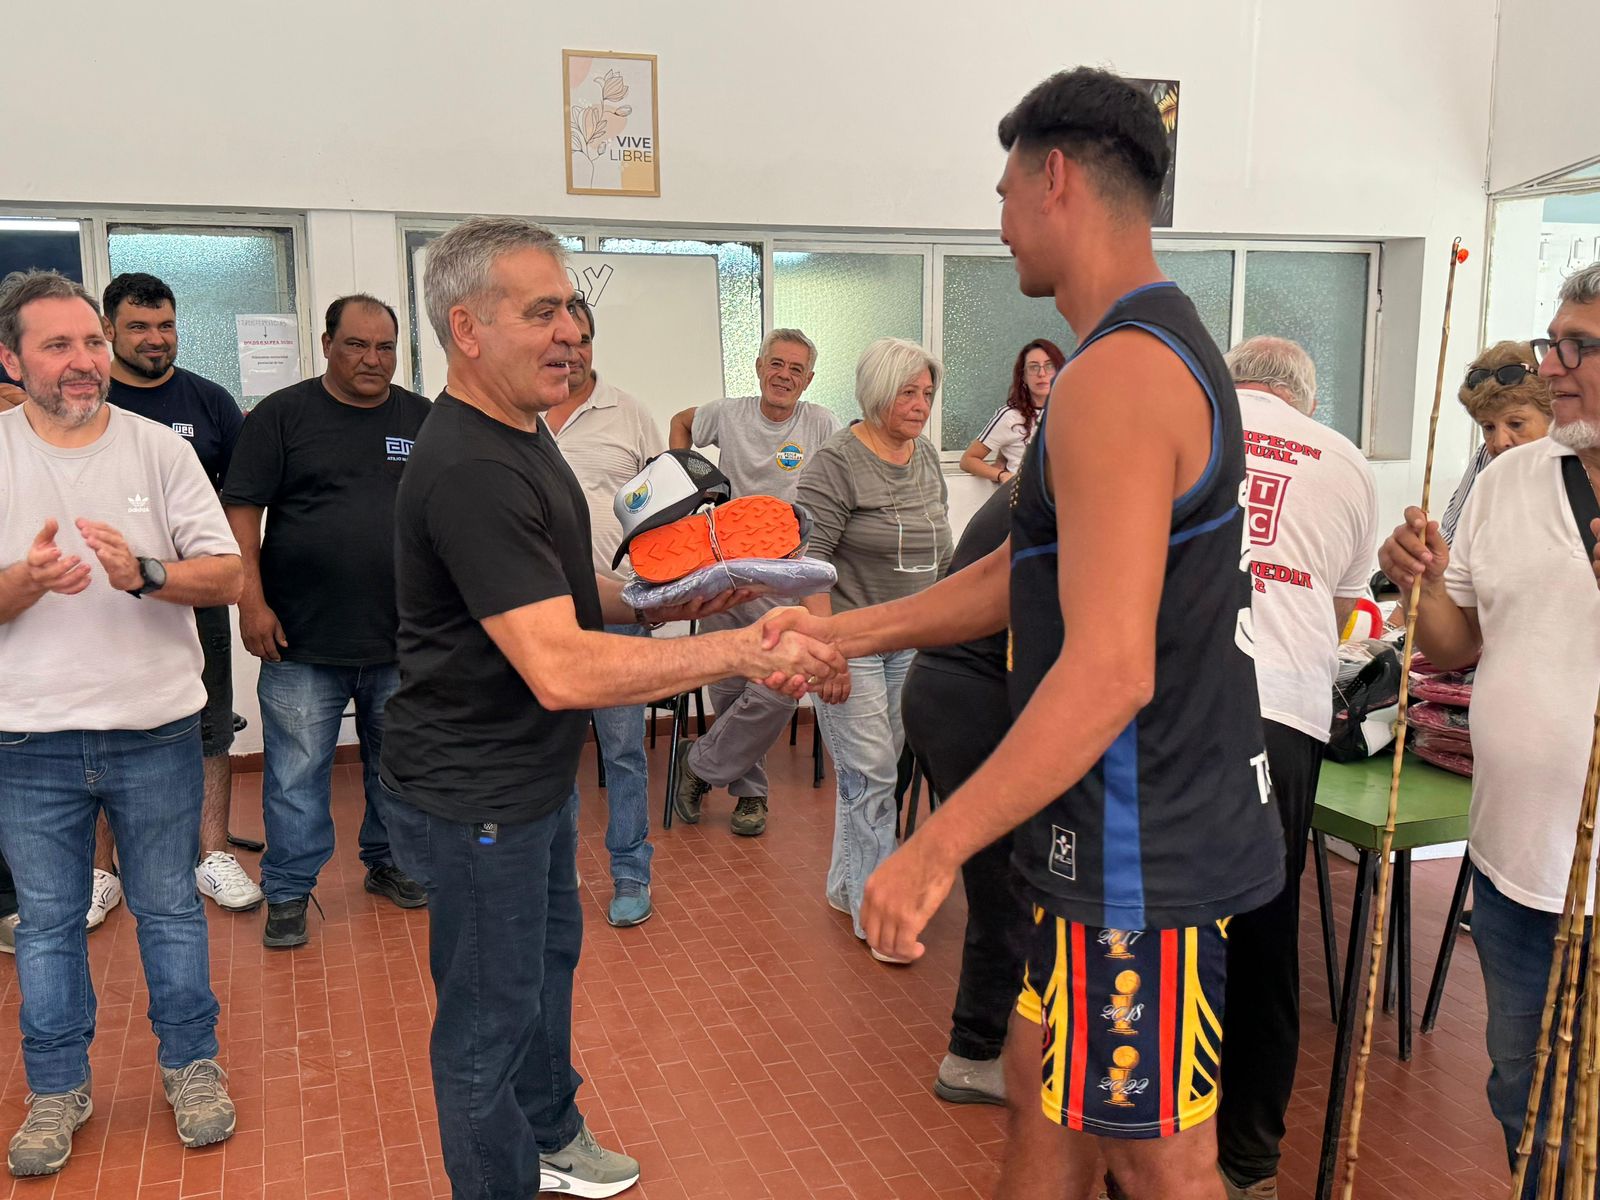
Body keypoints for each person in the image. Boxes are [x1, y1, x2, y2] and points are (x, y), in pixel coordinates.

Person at [762, 69, 1284, 1199]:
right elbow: (1021, 573)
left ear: (1054, 179)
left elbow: (1108, 670)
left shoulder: (1123, 373)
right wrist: (849, 634)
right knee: (1039, 1083)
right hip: (1102, 829)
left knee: (1161, 1157)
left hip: (1140, 840)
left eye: (1003, 193)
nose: (998, 223)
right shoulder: (1128, 354)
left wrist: (932, 848)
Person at [374, 216, 845, 1200]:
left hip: (532, 777)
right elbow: (559, 667)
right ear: (467, 329)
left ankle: (551, 1134)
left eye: (571, 311)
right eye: (541, 311)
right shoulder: (472, 467)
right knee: (486, 1026)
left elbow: (557, 595)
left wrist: (667, 600)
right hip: (481, 793)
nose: (568, 332)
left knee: (546, 969)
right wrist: (743, 648)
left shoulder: (522, 436)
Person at [0, 270, 242, 1176]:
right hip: (27, 739)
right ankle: (57, 1087)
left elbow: (227, 575)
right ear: (11, 359)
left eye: (91, 343)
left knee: (171, 909)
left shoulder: (157, 450)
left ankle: (192, 1066)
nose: (83, 361)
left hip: (155, 733)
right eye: (57, 345)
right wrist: (24, 583)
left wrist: (146, 573)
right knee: (48, 924)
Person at [1379, 261, 1600, 1196]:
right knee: (1526, 1098)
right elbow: (1458, 643)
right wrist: (1421, 583)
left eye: (1579, 347)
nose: (1552, 366)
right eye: (1554, 342)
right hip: (1514, 866)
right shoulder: (1509, 482)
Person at [1211, 336, 1378, 1200]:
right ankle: (1249, 1161)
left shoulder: (1191, 416)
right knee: (1266, 932)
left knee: (1161, 926)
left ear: (1231, 374)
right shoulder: (1344, 460)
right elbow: (1345, 613)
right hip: (1281, 714)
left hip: (1175, 700)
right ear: (1304, 398)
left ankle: (1145, 1142)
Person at [220, 294, 430, 950]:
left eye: (385, 347)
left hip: (402, 637)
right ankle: (288, 889)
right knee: (295, 774)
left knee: (400, 765)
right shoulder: (283, 415)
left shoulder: (422, 418)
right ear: (327, 344)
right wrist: (250, 602)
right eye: (357, 345)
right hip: (301, 638)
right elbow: (242, 511)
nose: (373, 359)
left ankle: (390, 861)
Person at [103, 271, 261, 913]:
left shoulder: (209, 401)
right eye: (139, 326)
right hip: (102, 597)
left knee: (211, 721)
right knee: (103, 725)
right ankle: (101, 870)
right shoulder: (90, 398)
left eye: (165, 325)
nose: (156, 338)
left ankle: (213, 854)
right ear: (109, 330)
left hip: (194, 591)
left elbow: (240, 500)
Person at [795, 337, 953, 956]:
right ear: (877, 393)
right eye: (908, 393)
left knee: (873, 775)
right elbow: (808, 562)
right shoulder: (836, 462)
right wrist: (827, 650)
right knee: (873, 776)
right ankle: (880, 918)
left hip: (910, 639)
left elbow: (942, 549)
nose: (921, 406)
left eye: (927, 393)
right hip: (852, 642)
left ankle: (847, 885)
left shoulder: (927, 456)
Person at [666, 329, 840, 837]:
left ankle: (698, 763)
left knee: (779, 688)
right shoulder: (729, 413)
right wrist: (687, 487)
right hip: (726, 570)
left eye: (796, 369)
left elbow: (841, 474)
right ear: (760, 367)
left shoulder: (821, 422)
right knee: (730, 687)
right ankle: (751, 794)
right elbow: (681, 422)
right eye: (776, 364)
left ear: (808, 380)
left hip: (788, 579)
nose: (784, 375)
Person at [545, 295, 666, 927]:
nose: (572, 352)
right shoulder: (520, 411)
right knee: (554, 754)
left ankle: (630, 873)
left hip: (618, 609)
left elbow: (661, 512)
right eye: (562, 340)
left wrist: (657, 590)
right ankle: (556, 872)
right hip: (541, 616)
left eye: (583, 340)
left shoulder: (630, 413)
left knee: (622, 751)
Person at [901, 484, 1020, 1101]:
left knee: (1010, 884)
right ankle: (973, 1055)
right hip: (971, 698)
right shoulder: (1069, 482)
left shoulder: (1035, 479)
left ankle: (996, 1042)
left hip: (949, 689)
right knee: (1005, 889)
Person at [958, 338, 1065, 483]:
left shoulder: (1072, 412)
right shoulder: (1011, 416)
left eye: (1049, 366)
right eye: (1033, 367)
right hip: (1027, 495)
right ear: (1023, 376)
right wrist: (1001, 475)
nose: (1041, 373)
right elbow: (968, 460)